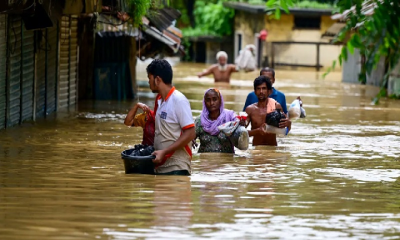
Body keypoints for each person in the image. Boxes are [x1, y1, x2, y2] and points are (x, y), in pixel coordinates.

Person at [126, 59, 195, 176]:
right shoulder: (159, 101)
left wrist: (164, 151)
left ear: (157, 80)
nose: (148, 82)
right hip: (160, 166)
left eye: (149, 78)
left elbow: (191, 133)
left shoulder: (179, 100)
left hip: (177, 167)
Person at [245, 76, 291, 146]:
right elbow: (242, 133)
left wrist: (289, 125)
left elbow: (284, 132)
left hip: (272, 150)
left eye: (264, 88)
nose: (261, 92)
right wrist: (257, 131)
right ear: (255, 91)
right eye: (258, 89)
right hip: (256, 150)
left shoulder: (276, 107)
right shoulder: (250, 110)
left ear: (269, 91)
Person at [194, 88, 238, 153]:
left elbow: (241, 138)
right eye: (208, 100)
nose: (211, 103)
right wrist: (190, 140)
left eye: (215, 99)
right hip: (205, 161)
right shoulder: (200, 121)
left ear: (220, 101)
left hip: (226, 162)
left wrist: (241, 125)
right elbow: (189, 138)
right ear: (204, 102)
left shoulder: (230, 118)